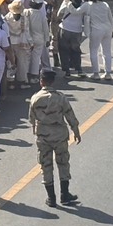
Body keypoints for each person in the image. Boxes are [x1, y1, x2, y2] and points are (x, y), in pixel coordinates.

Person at [28, 70, 81, 207]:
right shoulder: (60, 97)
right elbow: (70, 115)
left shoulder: (35, 98)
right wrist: (75, 131)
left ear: (41, 81)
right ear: (53, 81)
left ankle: (51, 198)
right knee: (63, 163)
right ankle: (65, 194)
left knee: (46, 165)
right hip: (59, 136)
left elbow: (31, 118)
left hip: (43, 137)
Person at [83, 0, 113, 79]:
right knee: (107, 51)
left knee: (93, 51)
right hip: (107, 29)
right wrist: (112, 30)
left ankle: (96, 73)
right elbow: (111, 19)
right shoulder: (105, 4)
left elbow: (86, 20)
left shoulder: (88, 6)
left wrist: (87, 33)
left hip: (96, 30)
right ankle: (108, 73)